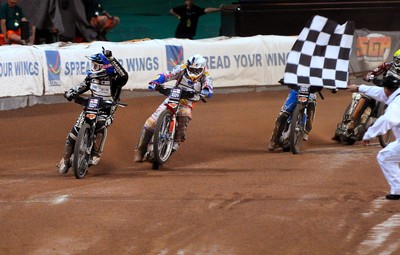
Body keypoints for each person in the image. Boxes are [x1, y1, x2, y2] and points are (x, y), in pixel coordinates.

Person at [57, 48, 128, 175]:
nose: (93, 68)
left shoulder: (114, 79)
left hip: (107, 109)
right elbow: (82, 86)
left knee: (101, 125)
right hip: (91, 106)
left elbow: (124, 77)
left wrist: (111, 59)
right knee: (73, 134)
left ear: (104, 66)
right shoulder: (91, 77)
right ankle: (65, 159)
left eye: (96, 65)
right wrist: (72, 92)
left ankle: (96, 153)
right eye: (93, 65)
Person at [133, 54, 213, 162]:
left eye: (196, 70)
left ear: (202, 69)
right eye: (191, 69)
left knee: (184, 116)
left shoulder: (206, 76)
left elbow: (209, 87)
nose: (193, 72)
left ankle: (174, 145)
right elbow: (166, 75)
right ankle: (140, 150)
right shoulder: (182, 69)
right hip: (173, 98)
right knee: (150, 123)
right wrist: (155, 82)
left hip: (187, 103)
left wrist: (206, 91)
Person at [347, 76, 400, 200]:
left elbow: (387, 120)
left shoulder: (396, 104)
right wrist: (358, 88)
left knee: (385, 157)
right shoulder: (395, 93)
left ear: (387, 89)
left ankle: (398, 190)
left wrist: (369, 134)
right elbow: (377, 92)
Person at [338, 49, 400, 135]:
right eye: (398, 60)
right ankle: (352, 121)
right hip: (382, 89)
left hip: (396, 95)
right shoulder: (387, 66)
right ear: (395, 59)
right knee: (364, 95)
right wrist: (370, 77)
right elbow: (373, 72)